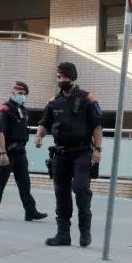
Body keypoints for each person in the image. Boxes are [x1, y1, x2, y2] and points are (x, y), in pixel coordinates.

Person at [34, 62, 103, 247]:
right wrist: (39, 136)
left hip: (82, 153)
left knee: (81, 189)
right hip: (61, 155)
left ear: (71, 77)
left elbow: (97, 126)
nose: (60, 80)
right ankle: (63, 235)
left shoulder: (88, 99)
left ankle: (85, 232)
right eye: (58, 77)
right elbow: (44, 123)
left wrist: (97, 149)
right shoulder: (53, 102)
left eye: (62, 77)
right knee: (61, 194)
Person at [0, 81, 48, 223]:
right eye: (20, 93)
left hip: (21, 152)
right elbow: (0, 132)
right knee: (0, 181)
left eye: (24, 94)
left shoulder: (23, 110)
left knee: (25, 183)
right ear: (13, 93)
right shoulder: (5, 109)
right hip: (7, 152)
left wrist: (38, 139)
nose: (22, 96)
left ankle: (30, 211)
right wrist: (3, 153)